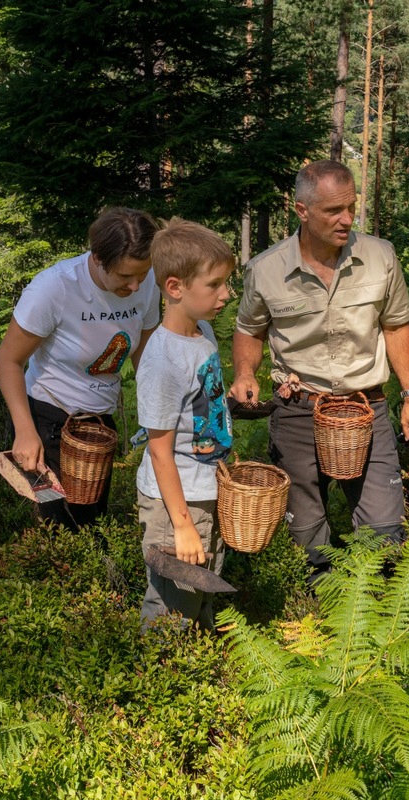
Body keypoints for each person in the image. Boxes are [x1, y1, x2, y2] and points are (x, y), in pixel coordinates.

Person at [231, 160, 409, 580]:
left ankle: (377, 612)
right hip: (298, 410)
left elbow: (396, 325)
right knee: (304, 530)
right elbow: (249, 329)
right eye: (332, 211)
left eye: (351, 207)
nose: (346, 219)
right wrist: (246, 373)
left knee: (385, 530)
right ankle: (322, 617)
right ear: (301, 210)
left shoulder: (380, 256)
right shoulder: (266, 269)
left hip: (367, 408)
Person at [0, 207, 160, 530]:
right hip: (48, 418)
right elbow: (8, 361)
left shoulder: (147, 283)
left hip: (99, 425)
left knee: (91, 521)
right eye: (125, 277)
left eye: (142, 274)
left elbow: (146, 354)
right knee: (54, 523)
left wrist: (159, 413)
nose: (136, 286)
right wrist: (25, 430)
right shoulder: (54, 289)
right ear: (98, 258)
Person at [135, 218, 235, 629]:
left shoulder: (202, 332)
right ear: (175, 288)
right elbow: (160, 451)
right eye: (214, 285)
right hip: (176, 503)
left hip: (204, 490)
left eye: (227, 283)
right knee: (172, 603)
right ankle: (157, 680)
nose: (226, 295)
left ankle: (198, 669)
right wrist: (182, 526)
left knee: (202, 591)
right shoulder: (162, 361)